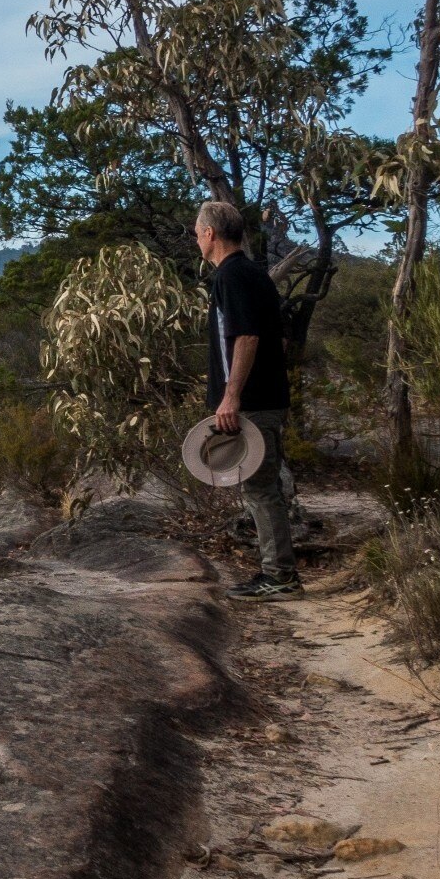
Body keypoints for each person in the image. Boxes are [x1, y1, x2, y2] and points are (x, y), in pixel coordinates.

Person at [194, 200, 300, 599]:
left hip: (253, 403)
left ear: (209, 234)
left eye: (197, 231)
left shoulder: (231, 277)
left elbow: (248, 337)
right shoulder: (253, 275)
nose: (196, 239)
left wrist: (231, 397)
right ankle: (278, 572)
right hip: (265, 398)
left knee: (259, 489)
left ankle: (281, 577)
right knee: (261, 487)